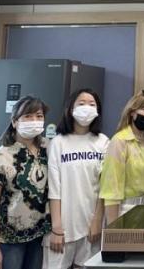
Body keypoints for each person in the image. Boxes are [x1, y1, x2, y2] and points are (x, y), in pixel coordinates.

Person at [0, 96, 51, 269]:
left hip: (39, 237)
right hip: (7, 241)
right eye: (27, 116)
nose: (34, 121)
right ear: (14, 122)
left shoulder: (48, 149)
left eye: (39, 116)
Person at [44, 89, 109, 269]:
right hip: (62, 227)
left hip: (91, 226)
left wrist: (97, 221)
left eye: (92, 104)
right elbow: (54, 188)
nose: (87, 107)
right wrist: (57, 229)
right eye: (81, 103)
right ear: (70, 108)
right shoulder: (58, 142)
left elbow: (105, 187)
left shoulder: (103, 142)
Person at [100, 90, 144, 224]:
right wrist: (114, 228)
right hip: (126, 212)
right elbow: (111, 190)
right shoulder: (120, 141)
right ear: (132, 112)